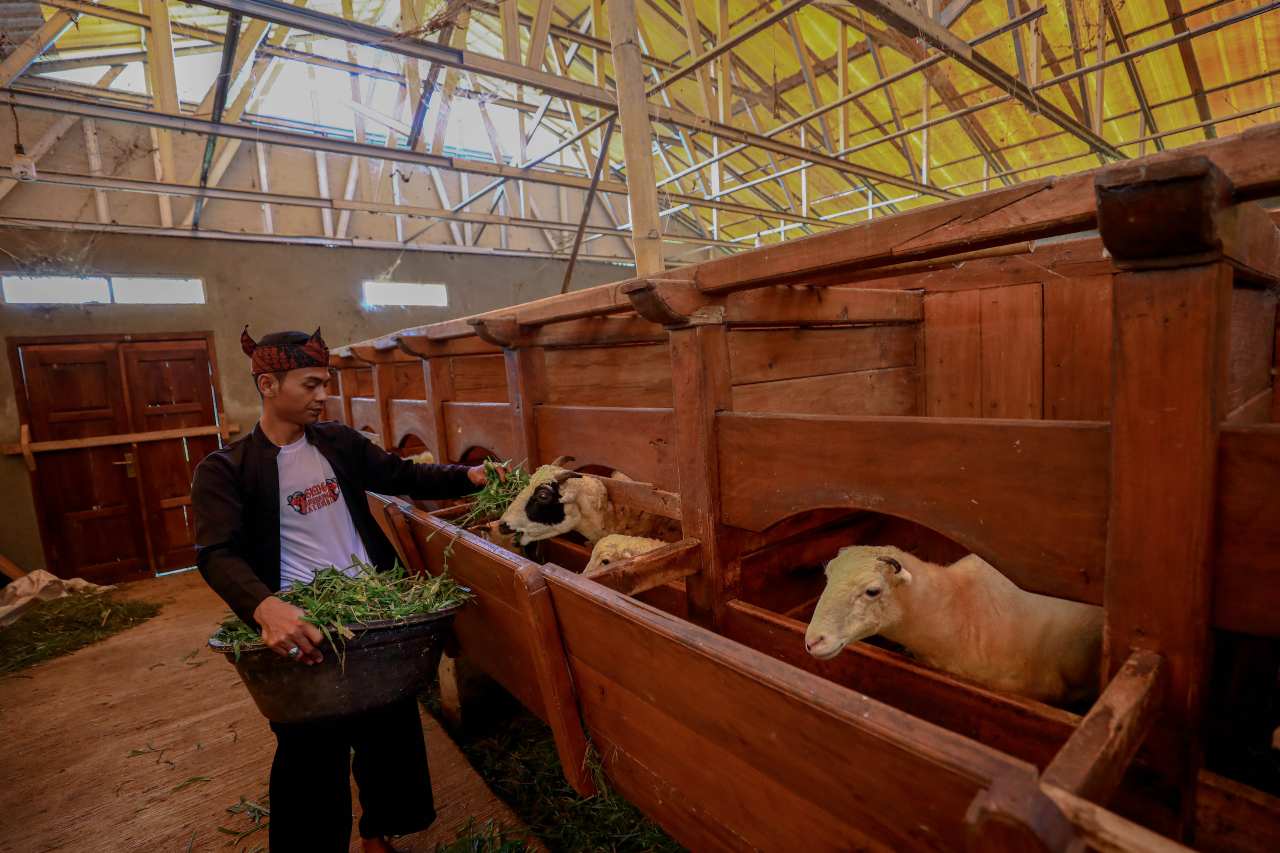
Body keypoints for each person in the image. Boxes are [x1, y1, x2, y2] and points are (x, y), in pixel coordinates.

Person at [192, 327, 500, 853]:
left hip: (374, 610)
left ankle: (377, 832)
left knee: (388, 729)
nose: (322, 396)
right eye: (310, 384)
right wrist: (267, 608)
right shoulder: (226, 470)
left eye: (324, 384)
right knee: (310, 749)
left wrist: (469, 477)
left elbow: (404, 476)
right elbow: (216, 553)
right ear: (269, 384)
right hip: (306, 621)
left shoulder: (338, 443)